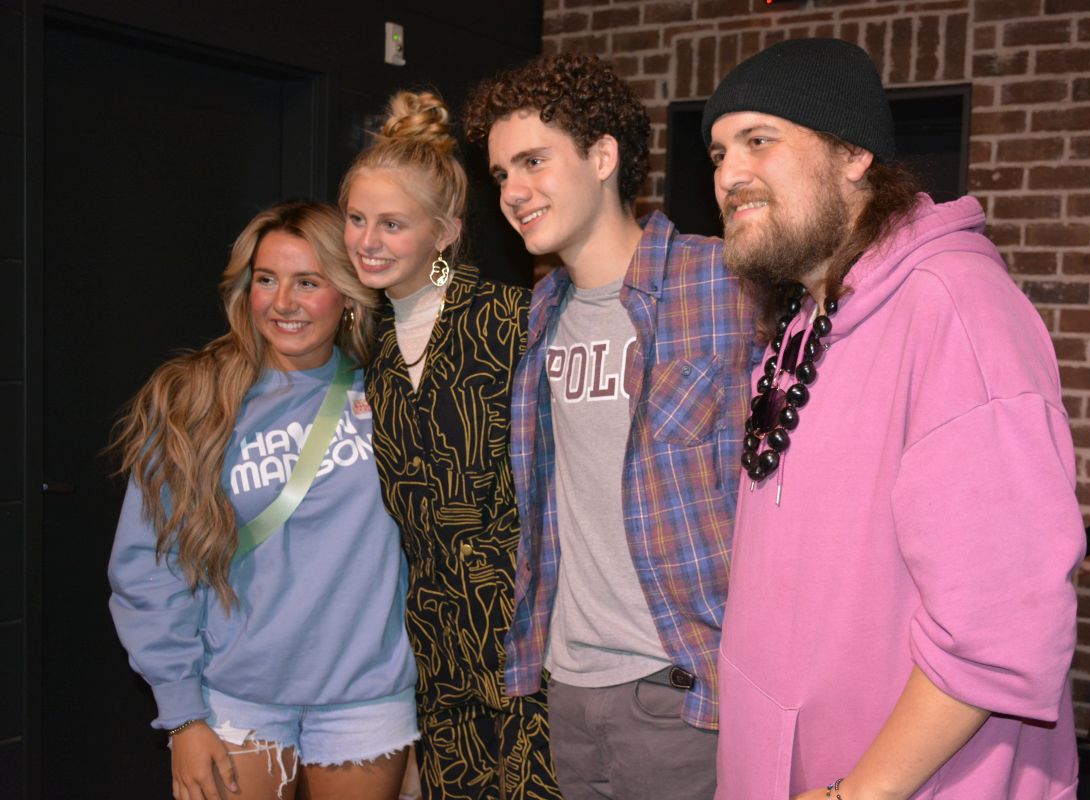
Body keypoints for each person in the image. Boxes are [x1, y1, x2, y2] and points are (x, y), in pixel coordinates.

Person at [703, 38, 1086, 799]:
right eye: (717, 153)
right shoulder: (807, 317)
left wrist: (856, 794)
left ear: (853, 154)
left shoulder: (958, 310)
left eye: (759, 140)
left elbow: (1001, 629)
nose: (728, 175)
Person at [463, 53, 759, 799]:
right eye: (500, 173)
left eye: (534, 161)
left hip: (683, 691)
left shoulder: (724, 282)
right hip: (566, 688)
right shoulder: (542, 312)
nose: (513, 191)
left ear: (602, 157)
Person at [108, 201, 419, 800]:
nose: (283, 303)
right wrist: (182, 716)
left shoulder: (394, 393)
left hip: (367, 697)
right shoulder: (194, 401)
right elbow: (148, 567)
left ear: (349, 294)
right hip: (234, 698)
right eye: (267, 280)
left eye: (308, 282)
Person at [339, 90, 560, 800]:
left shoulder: (513, 321)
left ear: (444, 233)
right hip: (434, 654)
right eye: (356, 219)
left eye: (392, 224)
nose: (367, 241)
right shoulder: (367, 345)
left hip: (530, 644)